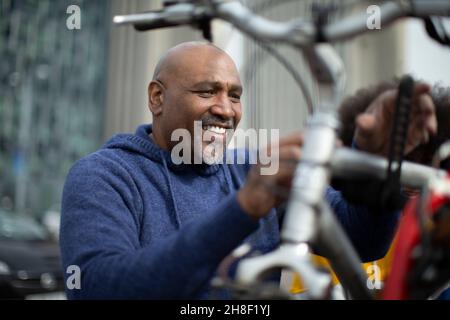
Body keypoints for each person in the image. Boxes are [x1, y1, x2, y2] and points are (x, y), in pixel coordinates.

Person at [59, 42, 437, 299]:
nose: (226, 109)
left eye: (235, 95)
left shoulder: (252, 169)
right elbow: (98, 288)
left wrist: (379, 170)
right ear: (157, 97)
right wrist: (242, 209)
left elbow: (362, 239)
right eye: (207, 92)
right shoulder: (103, 175)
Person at [291, 79, 450, 296]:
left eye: (426, 166)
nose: (415, 186)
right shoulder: (330, 228)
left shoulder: (438, 240)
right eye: (403, 169)